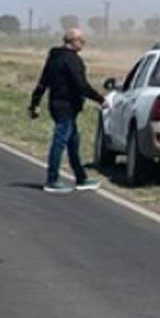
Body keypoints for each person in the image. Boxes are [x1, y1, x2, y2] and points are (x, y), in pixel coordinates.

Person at [29, 27, 106, 193]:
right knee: (60, 142)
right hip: (66, 107)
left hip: (58, 105)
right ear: (71, 41)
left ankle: (81, 178)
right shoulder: (71, 60)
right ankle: (52, 179)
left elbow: (42, 83)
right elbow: (81, 85)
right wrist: (101, 100)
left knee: (73, 142)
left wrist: (35, 103)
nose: (83, 42)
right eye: (81, 40)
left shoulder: (54, 58)